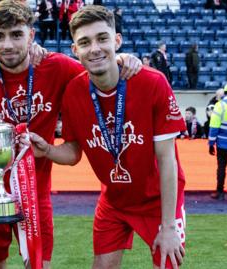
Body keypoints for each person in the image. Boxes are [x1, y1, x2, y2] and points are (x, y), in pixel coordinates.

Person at [0, 1, 141, 268]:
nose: (7, 45)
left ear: (31, 35)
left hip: (36, 191)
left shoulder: (58, 68)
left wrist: (121, 58)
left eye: (17, 35)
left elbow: (100, 69)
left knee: (39, 264)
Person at [28, 5, 186, 269]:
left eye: (102, 38)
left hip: (158, 199)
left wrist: (168, 226)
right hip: (114, 198)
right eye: (85, 42)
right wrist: (47, 150)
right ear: (74, 50)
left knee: (168, 262)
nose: (95, 48)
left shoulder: (152, 82)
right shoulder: (74, 92)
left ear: (117, 40)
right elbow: (73, 153)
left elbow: (168, 159)